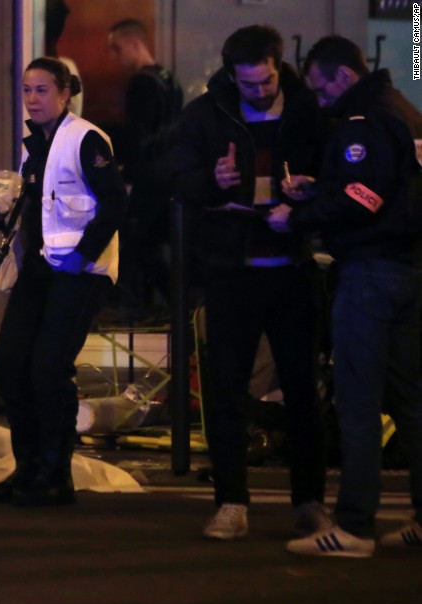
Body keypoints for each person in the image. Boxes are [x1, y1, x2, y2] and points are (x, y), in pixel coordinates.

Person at [170, 24, 329, 541]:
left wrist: (308, 192)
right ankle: (232, 502)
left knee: (302, 389)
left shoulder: (308, 109)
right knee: (225, 391)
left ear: (278, 66)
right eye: (247, 84)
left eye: (265, 82)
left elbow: (337, 176)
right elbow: (174, 178)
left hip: (292, 266)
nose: (257, 92)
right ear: (230, 74)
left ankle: (309, 500)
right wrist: (209, 182)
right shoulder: (207, 112)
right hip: (232, 269)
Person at [267, 36, 422, 558]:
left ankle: (354, 526)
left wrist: (300, 215)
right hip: (409, 269)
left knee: (357, 399)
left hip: (370, 271)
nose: (319, 98)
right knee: (411, 400)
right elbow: (388, 188)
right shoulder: (403, 110)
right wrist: (322, 189)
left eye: (321, 86)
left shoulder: (363, 123)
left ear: (344, 77)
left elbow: (365, 195)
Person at [0, 57, 127, 507]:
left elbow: (114, 203)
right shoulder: (34, 146)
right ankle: (28, 467)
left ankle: (55, 472)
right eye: (26, 90)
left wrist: (82, 256)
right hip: (41, 269)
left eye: (41, 90)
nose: (32, 99)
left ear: (65, 94)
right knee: (10, 363)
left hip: (77, 271)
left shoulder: (84, 139)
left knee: (47, 368)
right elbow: (37, 212)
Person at [106, 18, 183, 310]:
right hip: (168, 172)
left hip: (149, 177)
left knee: (139, 243)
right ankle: (178, 303)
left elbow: (139, 137)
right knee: (149, 244)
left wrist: (128, 175)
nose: (115, 56)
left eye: (117, 47)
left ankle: (173, 302)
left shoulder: (141, 82)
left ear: (134, 44)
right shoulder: (167, 77)